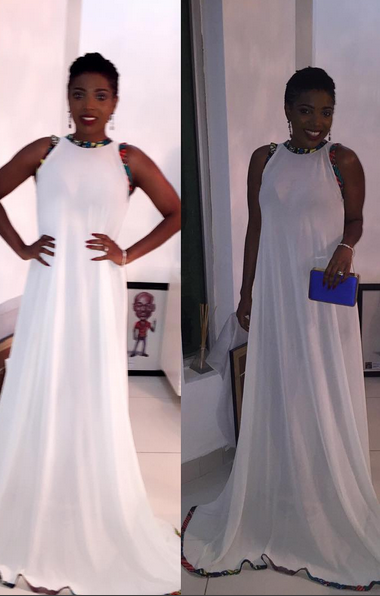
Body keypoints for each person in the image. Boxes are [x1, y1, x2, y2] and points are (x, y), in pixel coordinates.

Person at [0, 53, 181, 595]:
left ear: (114, 102)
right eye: (78, 93)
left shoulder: (127, 159)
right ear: (67, 99)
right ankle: (38, 505)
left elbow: (177, 211)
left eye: (100, 95)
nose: (88, 105)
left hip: (96, 293)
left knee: (90, 392)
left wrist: (127, 253)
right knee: (46, 387)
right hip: (49, 290)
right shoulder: (45, 152)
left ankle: (89, 503)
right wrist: (22, 246)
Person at [181, 67, 380, 590]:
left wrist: (346, 247)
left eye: (326, 111)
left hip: (322, 295)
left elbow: (356, 219)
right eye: (306, 110)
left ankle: (327, 486)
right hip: (276, 294)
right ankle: (286, 480)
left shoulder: (342, 161)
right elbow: (256, 226)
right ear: (287, 110)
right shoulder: (263, 160)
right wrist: (246, 292)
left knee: (323, 386)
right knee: (284, 385)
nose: (317, 121)